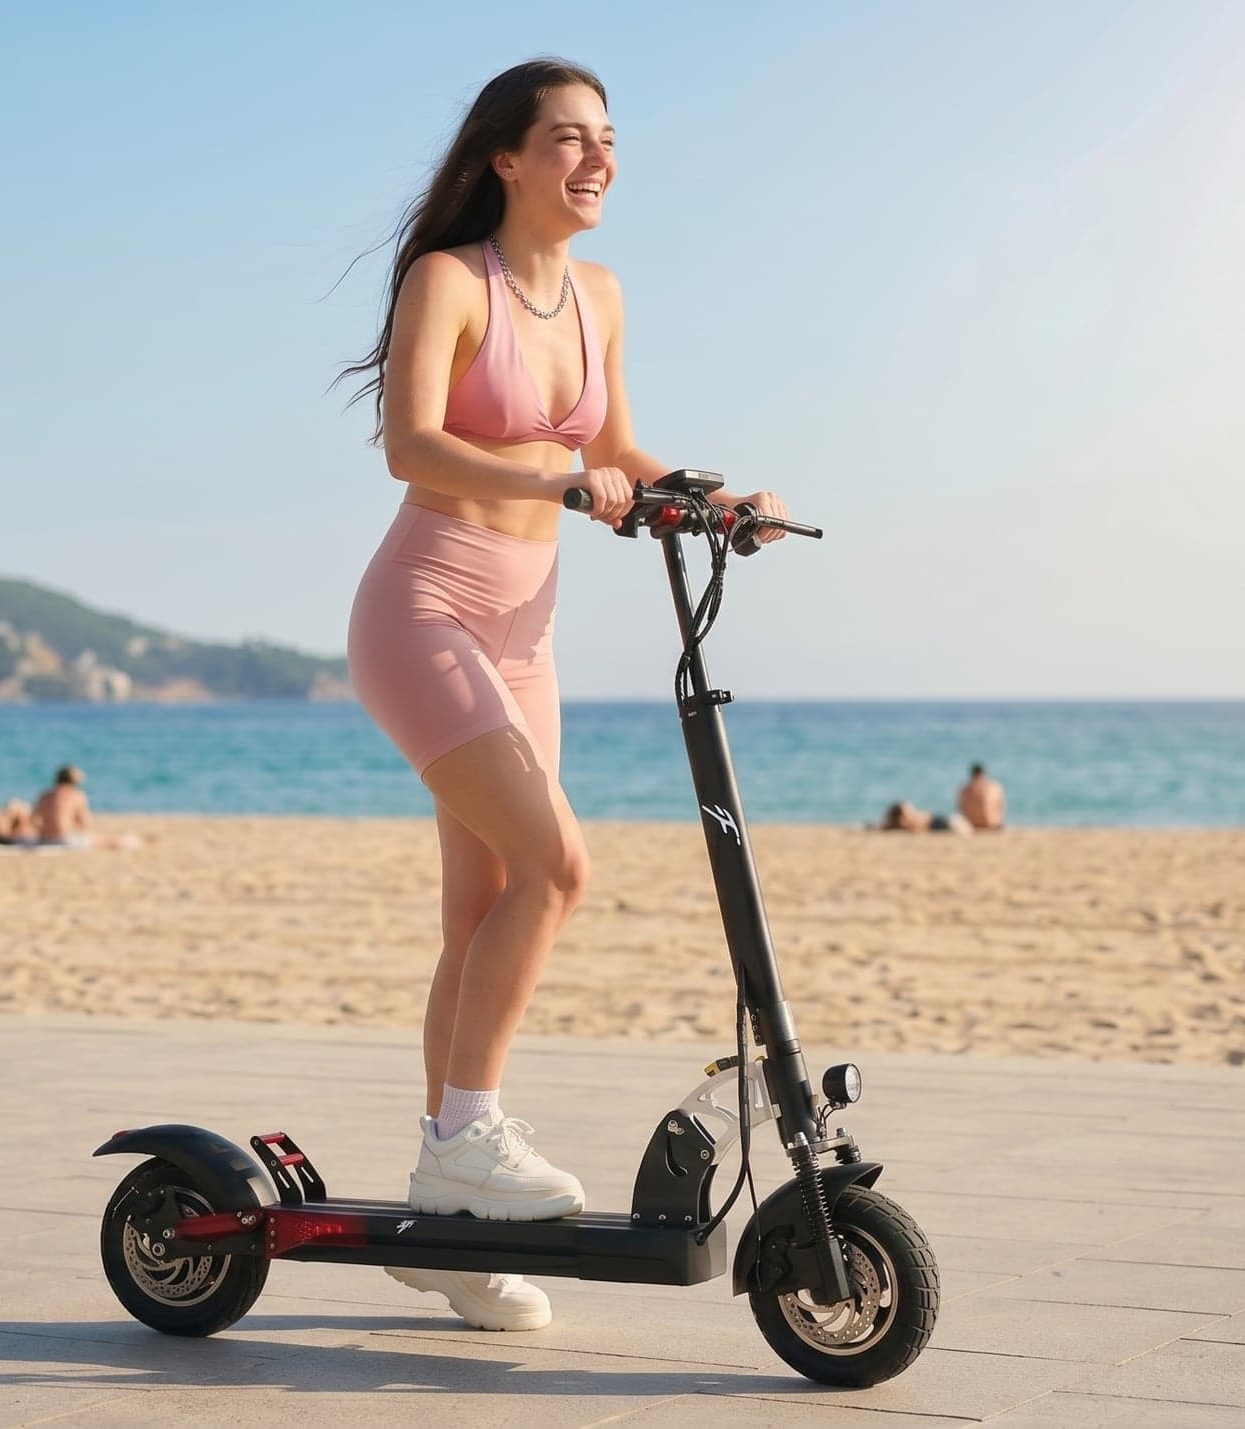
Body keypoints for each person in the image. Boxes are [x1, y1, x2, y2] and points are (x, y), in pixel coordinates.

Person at [337, 58, 792, 1333]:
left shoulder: (599, 294)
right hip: (423, 605)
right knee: (558, 866)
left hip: (524, 628)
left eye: (607, 142)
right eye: (567, 141)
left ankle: (446, 1227)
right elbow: (409, 444)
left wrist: (711, 497)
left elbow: (617, 452)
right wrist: (552, 485)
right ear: (506, 158)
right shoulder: (451, 279)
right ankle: (466, 1147)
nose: (595, 161)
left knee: (482, 904)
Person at [32, 765, 92, 848]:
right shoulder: (77, 795)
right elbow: (84, 822)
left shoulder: (45, 795)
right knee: (104, 841)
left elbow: (33, 819)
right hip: (64, 839)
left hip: (43, 839)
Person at [958, 763, 1004, 831]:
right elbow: (1000, 807)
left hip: (971, 825)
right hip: (991, 824)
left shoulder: (964, 789)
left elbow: (961, 809)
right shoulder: (993, 787)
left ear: (972, 774)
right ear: (984, 773)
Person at [877, 800, 968, 835]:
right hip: (937, 823)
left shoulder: (910, 818)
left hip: (939, 821)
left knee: (961, 826)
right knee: (961, 827)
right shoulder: (909, 821)